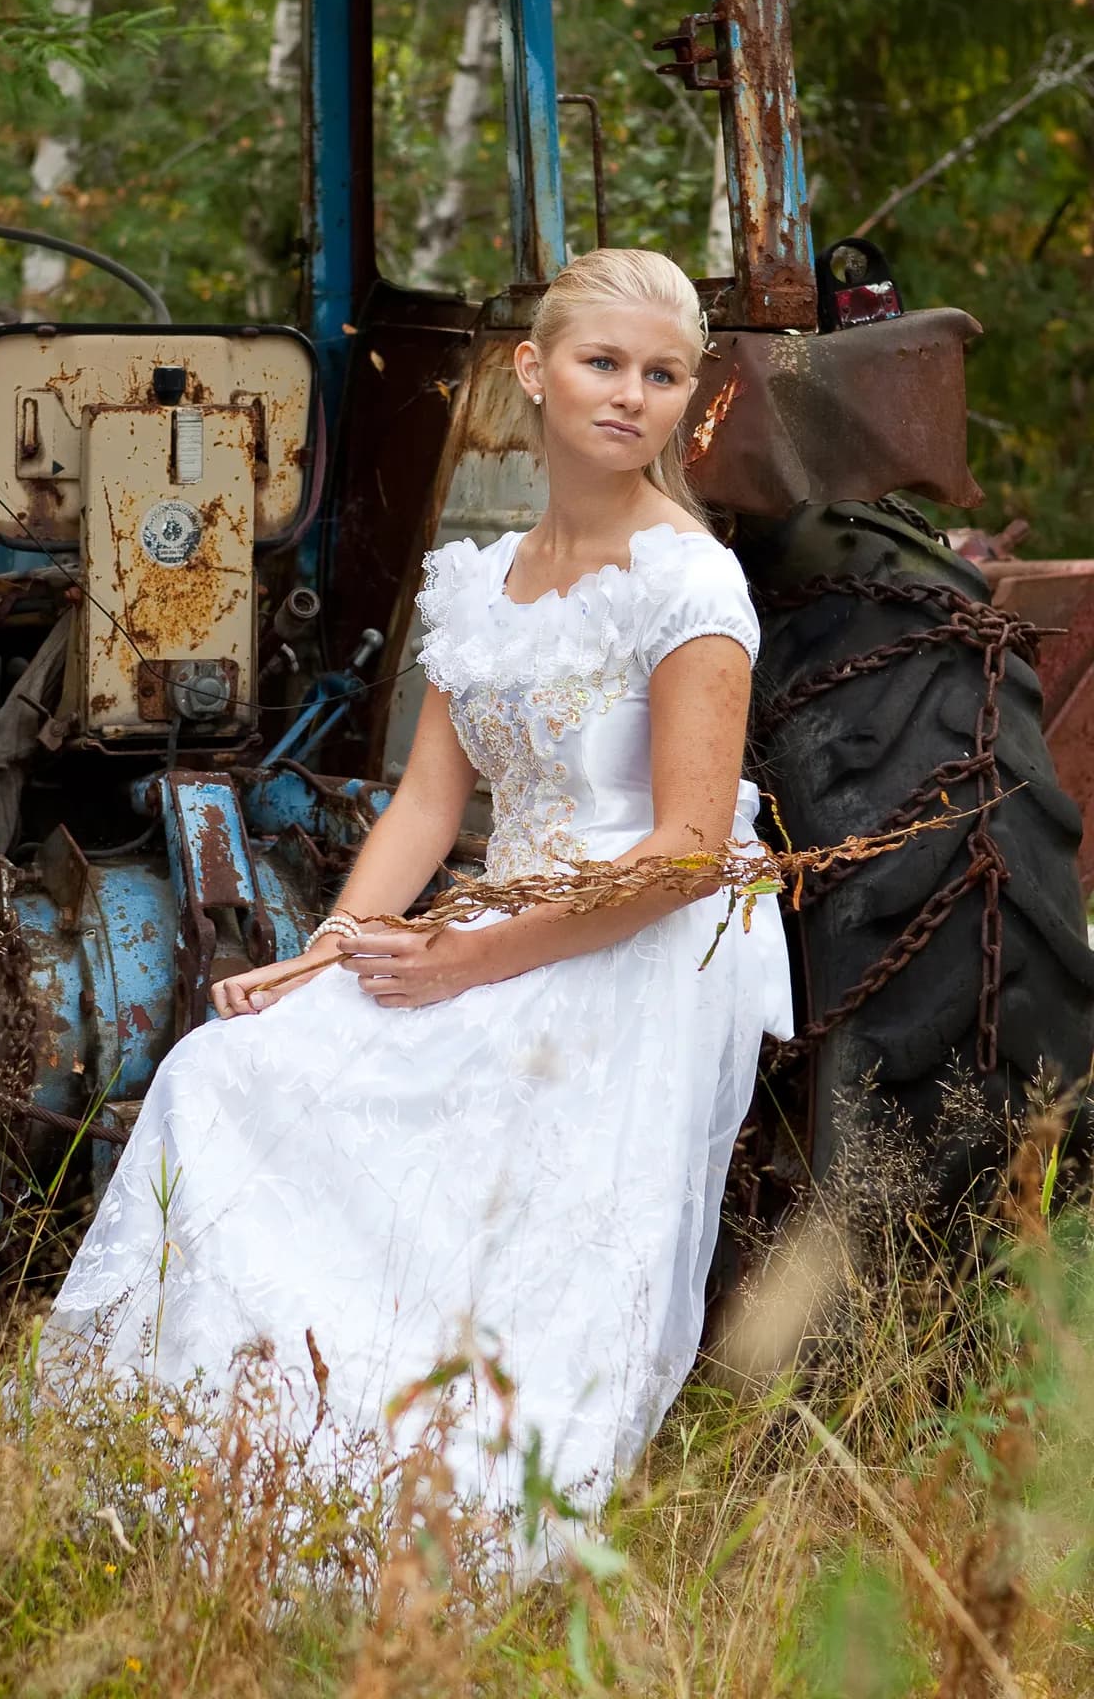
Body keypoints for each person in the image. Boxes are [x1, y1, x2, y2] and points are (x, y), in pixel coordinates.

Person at [44, 247, 793, 1555]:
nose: (630, 396)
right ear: (533, 370)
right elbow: (426, 810)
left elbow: (681, 855)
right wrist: (328, 950)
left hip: (638, 945)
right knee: (229, 1074)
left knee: (461, 1176)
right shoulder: (481, 576)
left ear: (688, 399)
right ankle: (216, 1475)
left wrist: (463, 964)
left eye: (664, 375)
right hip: (499, 919)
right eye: (602, 362)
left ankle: (436, 1516)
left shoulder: (691, 586)